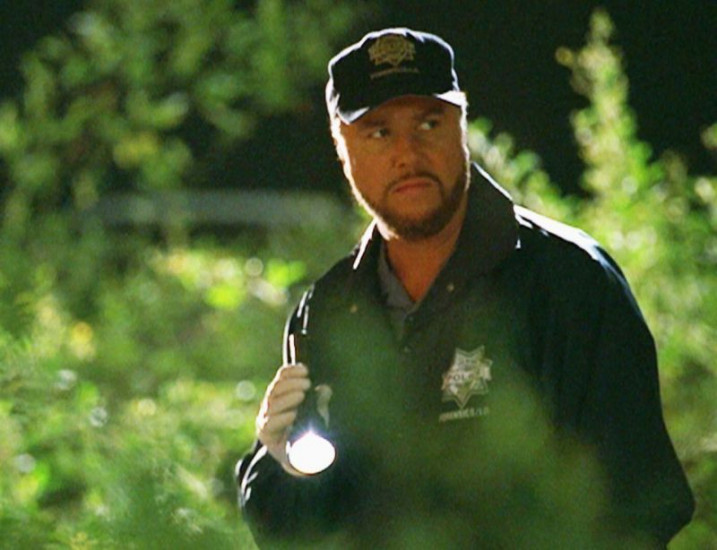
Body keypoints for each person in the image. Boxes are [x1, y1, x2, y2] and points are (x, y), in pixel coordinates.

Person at [236, 28, 694, 548]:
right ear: (343, 150)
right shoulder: (328, 312)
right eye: (379, 132)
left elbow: (637, 509)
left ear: (462, 125)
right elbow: (296, 534)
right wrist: (280, 463)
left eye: (429, 123)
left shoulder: (568, 282)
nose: (407, 153)